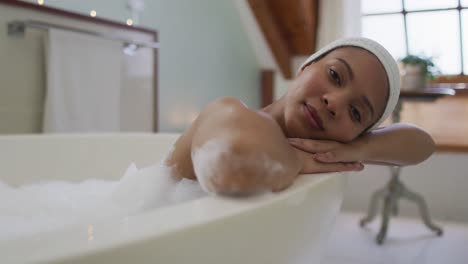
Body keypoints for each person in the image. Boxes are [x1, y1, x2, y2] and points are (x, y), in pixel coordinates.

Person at [165, 37, 435, 196]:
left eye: (355, 113)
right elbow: (232, 163)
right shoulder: (227, 113)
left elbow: (422, 145)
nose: (335, 102)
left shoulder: (339, 145)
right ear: (306, 66)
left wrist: (359, 148)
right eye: (335, 75)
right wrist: (296, 158)